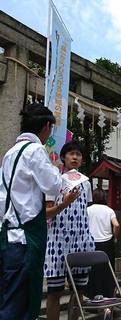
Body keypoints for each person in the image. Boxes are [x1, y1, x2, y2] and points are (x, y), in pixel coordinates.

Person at [0, 103, 62, 320]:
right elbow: (53, 186)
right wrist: (55, 166)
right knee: (22, 305)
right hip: (27, 239)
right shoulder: (36, 150)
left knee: (9, 298)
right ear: (46, 126)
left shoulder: (10, 154)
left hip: (9, 236)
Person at [44, 141, 95, 320]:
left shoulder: (86, 183)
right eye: (71, 154)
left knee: (79, 291)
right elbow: (46, 213)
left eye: (78, 154)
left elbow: (85, 211)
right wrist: (64, 203)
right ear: (63, 157)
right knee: (54, 292)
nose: (75, 157)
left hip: (81, 240)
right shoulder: (54, 180)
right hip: (57, 240)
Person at [86, 188, 120, 298]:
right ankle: (108, 295)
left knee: (93, 270)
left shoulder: (88, 210)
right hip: (107, 244)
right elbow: (116, 225)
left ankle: (94, 295)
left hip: (92, 243)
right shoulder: (109, 210)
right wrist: (115, 237)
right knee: (107, 269)